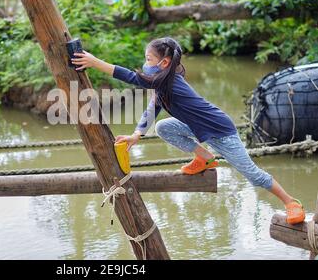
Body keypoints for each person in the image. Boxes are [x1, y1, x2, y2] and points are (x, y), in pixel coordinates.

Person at [71, 36, 306, 225]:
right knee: (164, 127)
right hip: (198, 128)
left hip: (221, 131)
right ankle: (205, 158)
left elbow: (134, 78)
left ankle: (291, 202)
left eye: (148, 59)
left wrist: (95, 62)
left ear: (164, 63)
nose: (145, 63)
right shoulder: (162, 85)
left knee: (253, 175)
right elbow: (152, 110)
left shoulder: (168, 81)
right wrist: (136, 135)